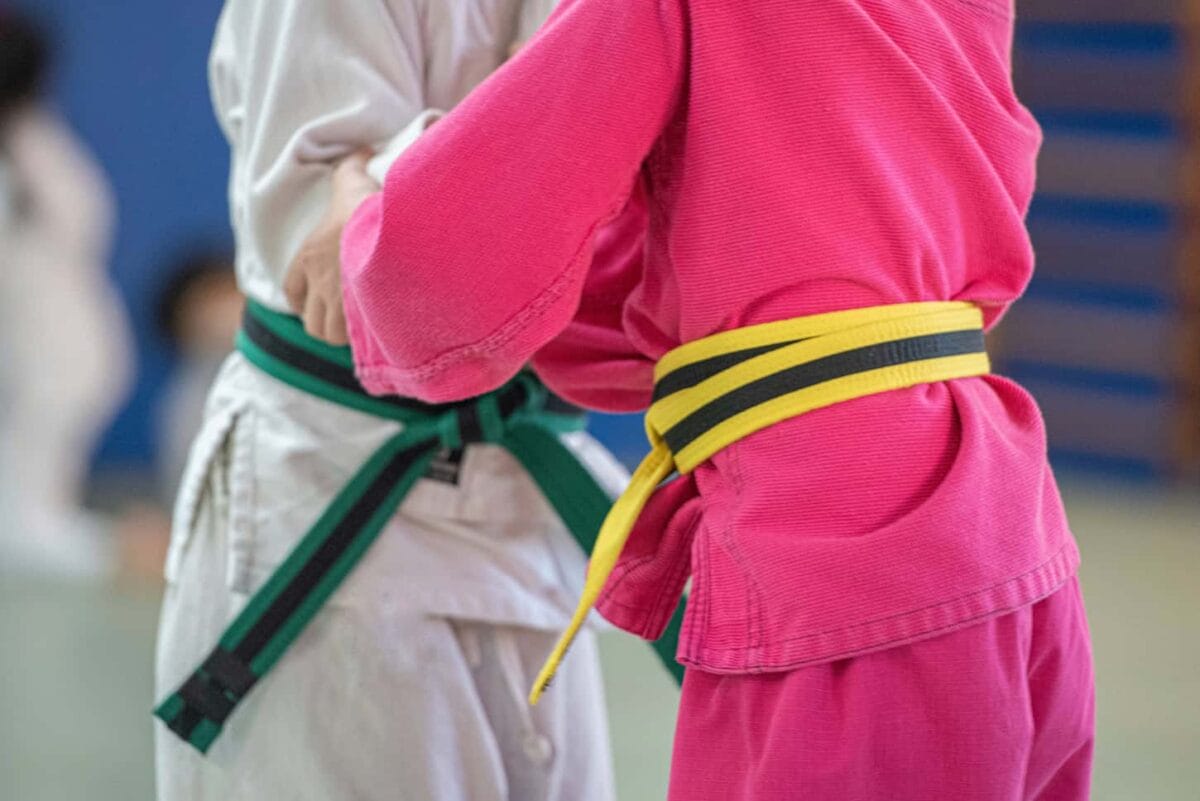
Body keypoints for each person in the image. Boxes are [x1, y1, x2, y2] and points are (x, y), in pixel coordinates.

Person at [296, 0, 1096, 798]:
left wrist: (362, 214)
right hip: (1007, 530)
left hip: (837, 553)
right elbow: (765, 264)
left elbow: (453, 265)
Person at [154, 3, 637, 800]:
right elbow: (349, 275)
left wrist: (518, 115)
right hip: (340, 503)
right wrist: (564, 115)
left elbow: (664, 230)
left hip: (527, 524)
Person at [0, 9, 134, 579]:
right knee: (30, 512)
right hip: (70, 355)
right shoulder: (43, 146)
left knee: (21, 529)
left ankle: (138, 552)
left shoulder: (30, 156)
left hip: (52, 368)